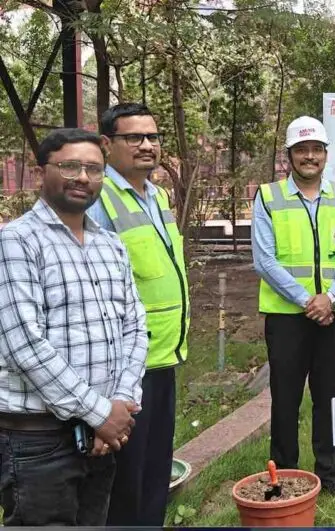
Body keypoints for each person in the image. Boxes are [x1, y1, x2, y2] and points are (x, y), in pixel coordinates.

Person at [0, 128, 147, 525]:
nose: (83, 177)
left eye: (94, 169)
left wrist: (118, 405)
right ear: (39, 173)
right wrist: (101, 413)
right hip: (40, 440)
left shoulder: (110, 245)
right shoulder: (15, 242)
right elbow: (24, 346)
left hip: (102, 439)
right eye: (70, 166)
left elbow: (134, 327)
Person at [87, 103, 188, 525]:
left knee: (153, 472)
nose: (147, 145)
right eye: (135, 137)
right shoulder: (97, 201)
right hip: (124, 368)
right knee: (124, 483)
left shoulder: (158, 196)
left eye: (153, 137)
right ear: (107, 145)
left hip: (164, 355)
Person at [251, 116, 335, 494]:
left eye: (316, 149)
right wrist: (306, 300)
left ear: (325, 155)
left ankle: (329, 477)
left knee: (329, 397)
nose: (309, 156)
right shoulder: (269, 197)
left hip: (334, 315)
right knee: (285, 398)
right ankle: (282, 478)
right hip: (287, 317)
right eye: (302, 150)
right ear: (289, 156)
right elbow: (265, 260)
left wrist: (329, 298)